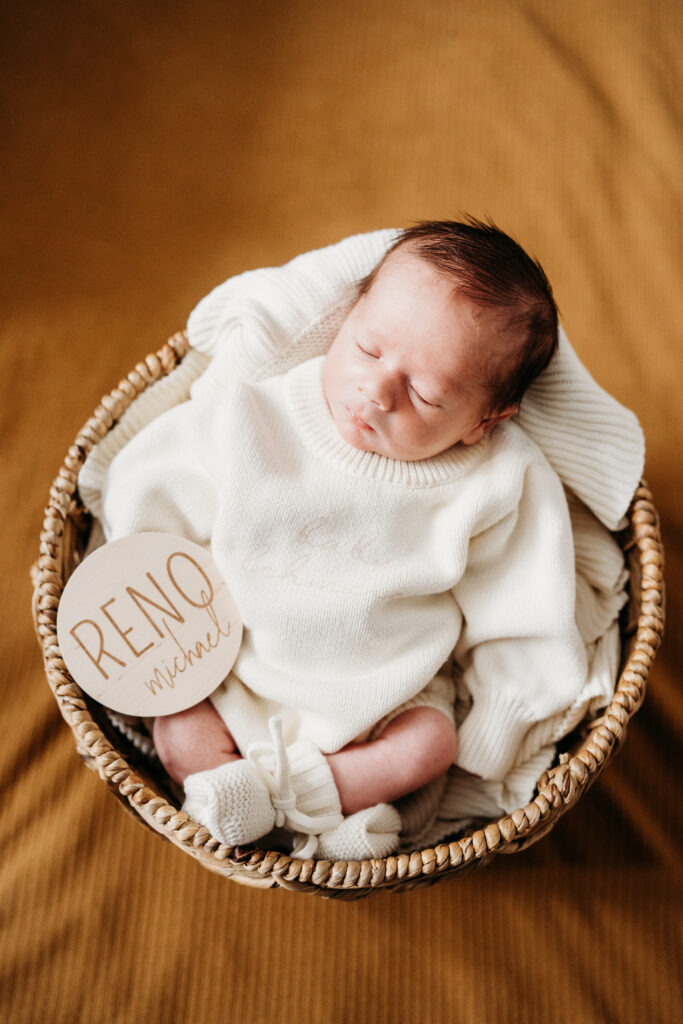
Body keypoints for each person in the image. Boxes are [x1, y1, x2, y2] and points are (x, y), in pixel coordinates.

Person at [94, 220, 592, 861]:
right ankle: (252, 801)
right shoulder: (252, 416)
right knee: (179, 725)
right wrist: (145, 605)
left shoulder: (496, 481)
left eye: (425, 393)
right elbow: (148, 486)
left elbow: (527, 600)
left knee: (431, 745)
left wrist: (503, 711)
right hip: (232, 665)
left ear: (483, 422)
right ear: (348, 315)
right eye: (367, 349)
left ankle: (319, 816)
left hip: (389, 695)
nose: (378, 392)